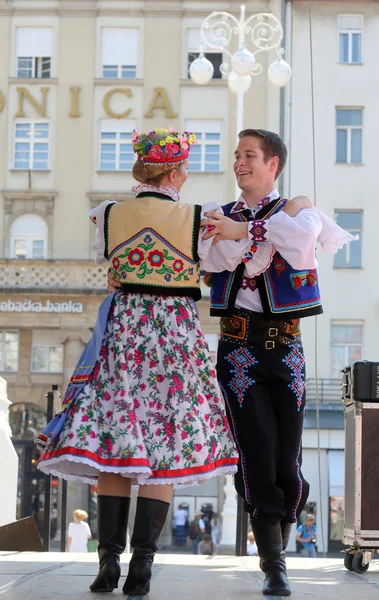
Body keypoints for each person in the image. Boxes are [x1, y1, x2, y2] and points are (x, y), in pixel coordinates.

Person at [36, 128, 238, 596]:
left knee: (114, 441)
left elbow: (110, 267)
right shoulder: (196, 219)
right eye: (184, 166)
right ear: (172, 170)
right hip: (174, 340)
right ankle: (142, 568)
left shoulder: (108, 215)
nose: (187, 173)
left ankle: (108, 563)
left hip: (124, 335)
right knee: (165, 444)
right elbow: (229, 259)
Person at [198, 129, 357, 596]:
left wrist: (248, 230)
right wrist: (247, 232)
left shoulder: (299, 211)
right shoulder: (219, 216)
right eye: (236, 155)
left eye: (249, 155)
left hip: (286, 348)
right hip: (239, 349)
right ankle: (274, 563)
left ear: (273, 164)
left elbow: (304, 238)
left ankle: (277, 541)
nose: (239, 163)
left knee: (289, 460)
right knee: (258, 452)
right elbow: (221, 257)